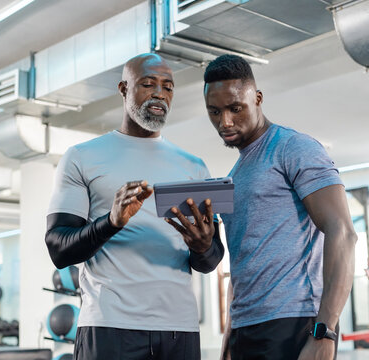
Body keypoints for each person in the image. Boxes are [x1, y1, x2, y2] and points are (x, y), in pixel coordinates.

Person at [45, 53, 224, 360]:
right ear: (123, 89)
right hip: (109, 326)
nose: (159, 93)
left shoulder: (193, 166)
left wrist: (203, 245)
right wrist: (111, 222)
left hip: (179, 328)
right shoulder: (81, 157)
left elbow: (210, 261)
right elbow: (59, 249)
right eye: (148, 83)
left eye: (168, 87)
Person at [202, 54, 357, 360]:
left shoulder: (293, 148)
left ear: (257, 98)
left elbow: (343, 232)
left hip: (294, 323)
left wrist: (325, 331)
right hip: (247, 329)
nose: (225, 122)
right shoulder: (235, 176)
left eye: (236, 108)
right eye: (215, 112)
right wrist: (230, 335)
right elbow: (242, 264)